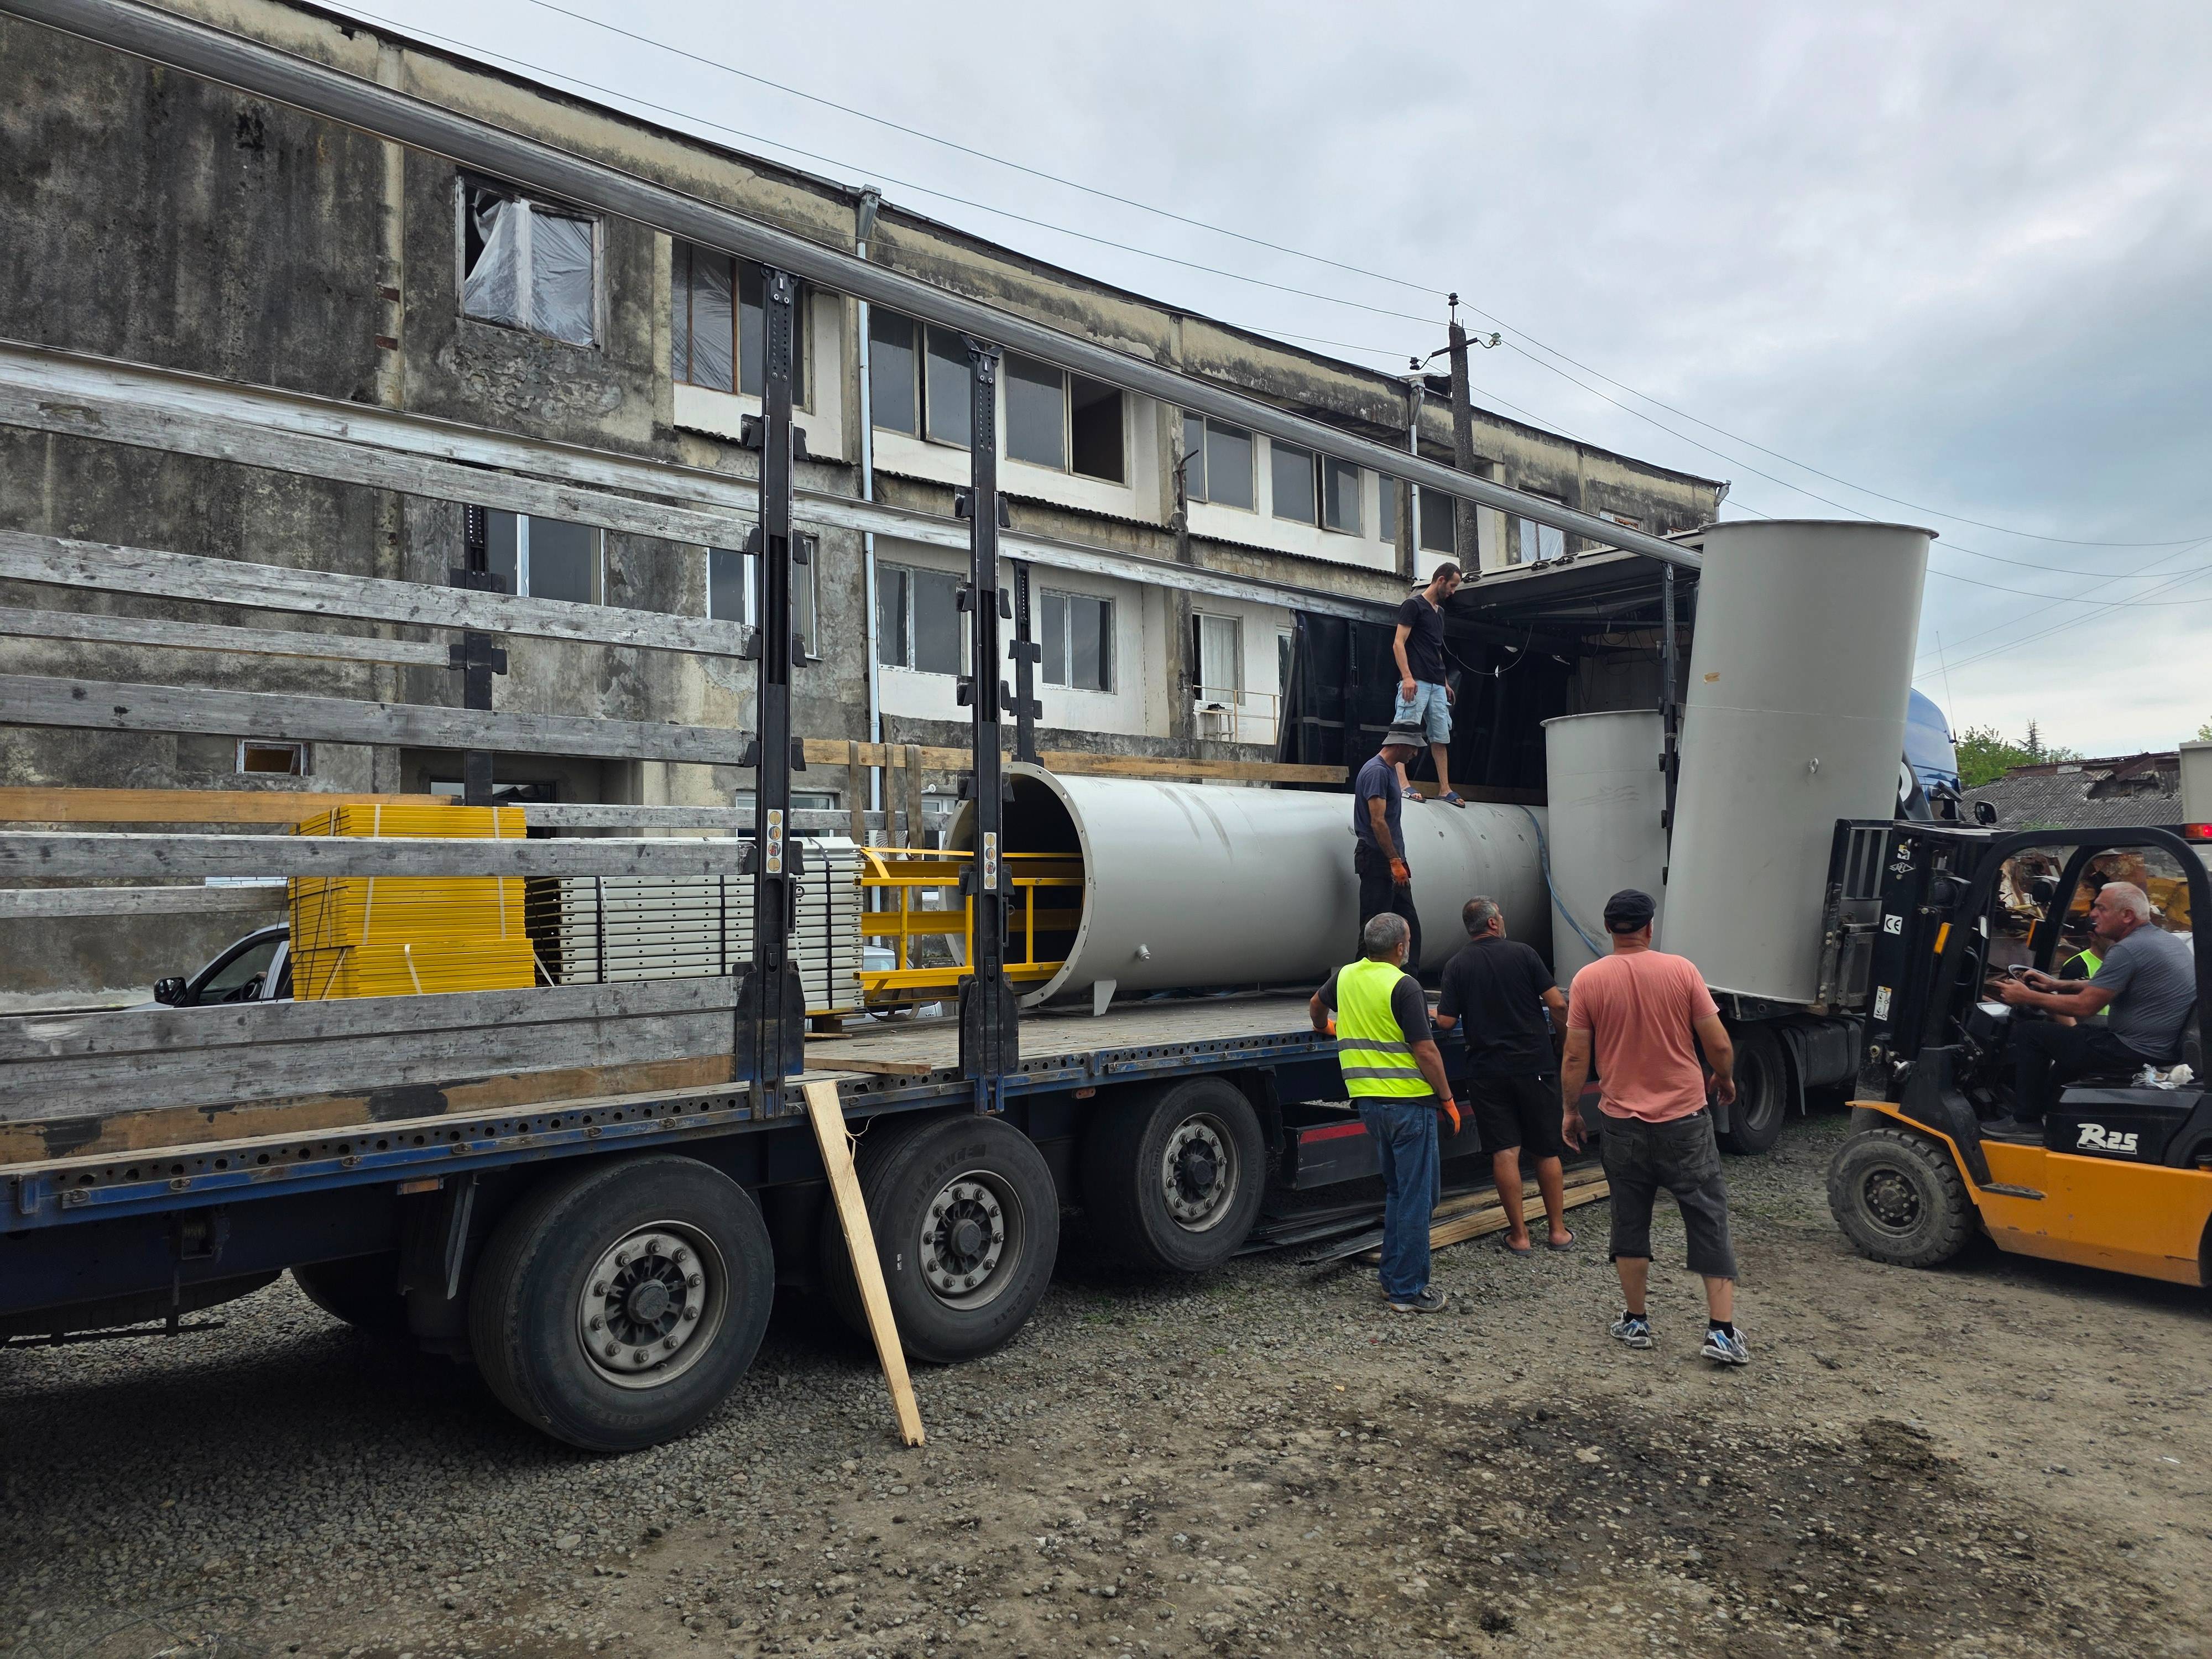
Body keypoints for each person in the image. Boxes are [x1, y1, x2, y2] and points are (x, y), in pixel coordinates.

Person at [1558, 889, 1748, 1367]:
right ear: (1649, 928)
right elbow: (1719, 1043)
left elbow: (1577, 1055)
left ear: (1609, 930)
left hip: (1622, 1121)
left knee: (1629, 1217)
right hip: (1684, 1118)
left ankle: (1636, 1320)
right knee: (1706, 1216)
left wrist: (1570, 1111)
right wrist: (1723, 1078)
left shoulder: (1588, 980)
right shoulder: (1681, 971)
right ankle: (1721, 1332)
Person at [1311, 912, 1462, 1314]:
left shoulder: (1346, 976)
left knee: (1399, 1193)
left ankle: (1394, 1279)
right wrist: (1447, 1099)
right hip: (1410, 1104)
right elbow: (1425, 1050)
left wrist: (1327, 1027)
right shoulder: (1404, 985)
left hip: (1371, 1105)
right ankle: (1407, 1291)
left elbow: (1315, 1005)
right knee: (1418, 1198)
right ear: (1400, 947)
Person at [1991, 881, 2194, 1135]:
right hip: (2158, 1043)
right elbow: (2111, 983)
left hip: (2135, 1049)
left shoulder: (2128, 949)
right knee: (2073, 1041)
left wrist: (2027, 997)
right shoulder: (2162, 940)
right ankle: (2054, 1113)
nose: (2093, 914)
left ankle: (2025, 1120)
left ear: (2127, 916)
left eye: (2101, 908)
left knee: (2031, 1033)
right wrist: (2057, 985)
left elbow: (2084, 1007)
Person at [1431, 895, 1575, 1254]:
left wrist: (1434, 1010)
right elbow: (1557, 1003)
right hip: (1535, 1066)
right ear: (1494, 923)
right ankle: (1557, 1232)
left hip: (1487, 1071)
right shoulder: (1525, 954)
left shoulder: (1457, 965)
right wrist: (1563, 1042)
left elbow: (1447, 1022)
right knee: (1545, 1150)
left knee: (1505, 1151)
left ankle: (1520, 1237)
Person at [1352, 725, 1426, 967]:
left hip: (1391, 859)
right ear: (1401, 744)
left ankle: (1407, 987)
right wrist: (1394, 861)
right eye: (1414, 748)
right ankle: (1359, 988)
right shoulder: (1377, 771)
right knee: (1375, 932)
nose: (1415, 754)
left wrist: (1399, 860)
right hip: (1378, 859)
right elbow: (1377, 821)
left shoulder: (1390, 770)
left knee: (1409, 926)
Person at [1392, 562, 1465, 806]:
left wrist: (1444, 682)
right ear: (1441, 580)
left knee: (1440, 735)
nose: (1453, 592)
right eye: (1453, 586)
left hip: (1436, 683)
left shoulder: (1440, 613)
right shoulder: (1413, 605)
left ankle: (1445, 789)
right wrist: (1407, 677)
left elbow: (1436, 649)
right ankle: (1403, 784)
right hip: (1416, 681)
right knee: (1405, 731)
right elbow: (1398, 643)